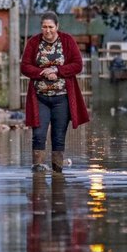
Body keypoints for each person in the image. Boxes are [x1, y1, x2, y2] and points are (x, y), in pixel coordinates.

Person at [21, 11, 90, 172]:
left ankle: (57, 171)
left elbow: (77, 65)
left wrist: (57, 71)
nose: (48, 30)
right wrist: (43, 72)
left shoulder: (67, 40)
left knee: (58, 136)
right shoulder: (33, 42)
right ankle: (38, 169)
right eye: (44, 27)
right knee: (39, 134)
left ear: (57, 26)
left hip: (62, 98)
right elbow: (25, 66)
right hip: (40, 98)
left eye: (51, 27)